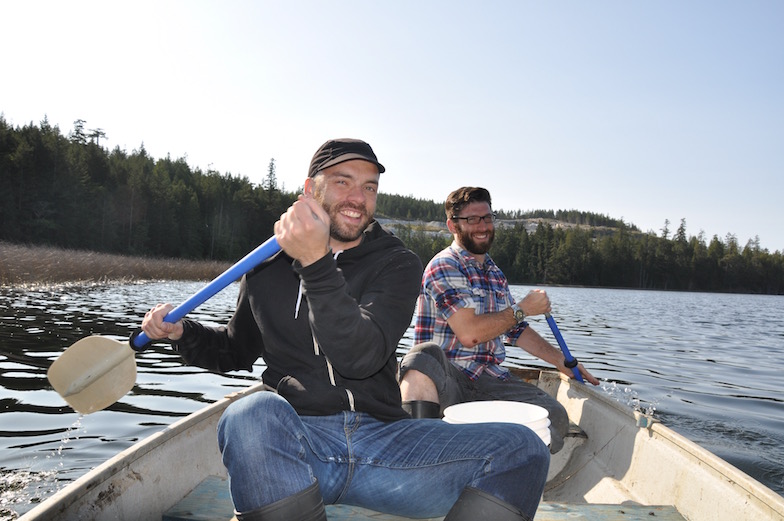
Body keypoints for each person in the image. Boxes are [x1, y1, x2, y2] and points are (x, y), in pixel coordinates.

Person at [141, 142, 549, 521]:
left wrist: (314, 263)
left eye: (369, 187)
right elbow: (235, 350)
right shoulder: (264, 267)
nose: (358, 198)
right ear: (310, 189)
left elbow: (360, 358)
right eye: (342, 182)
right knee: (249, 414)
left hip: (388, 443)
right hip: (301, 444)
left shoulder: (396, 263)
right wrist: (182, 333)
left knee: (523, 449)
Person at [399, 186, 599, 453]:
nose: (482, 226)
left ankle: (489, 450)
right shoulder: (444, 265)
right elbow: (469, 334)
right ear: (452, 225)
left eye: (487, 218)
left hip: (490, 379)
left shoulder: (494, 272)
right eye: (472, 219)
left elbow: (514, 330)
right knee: (422, 358)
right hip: (450, 382)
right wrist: (522, 308)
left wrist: (562, 362)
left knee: (555, 418)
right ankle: (419, 452)